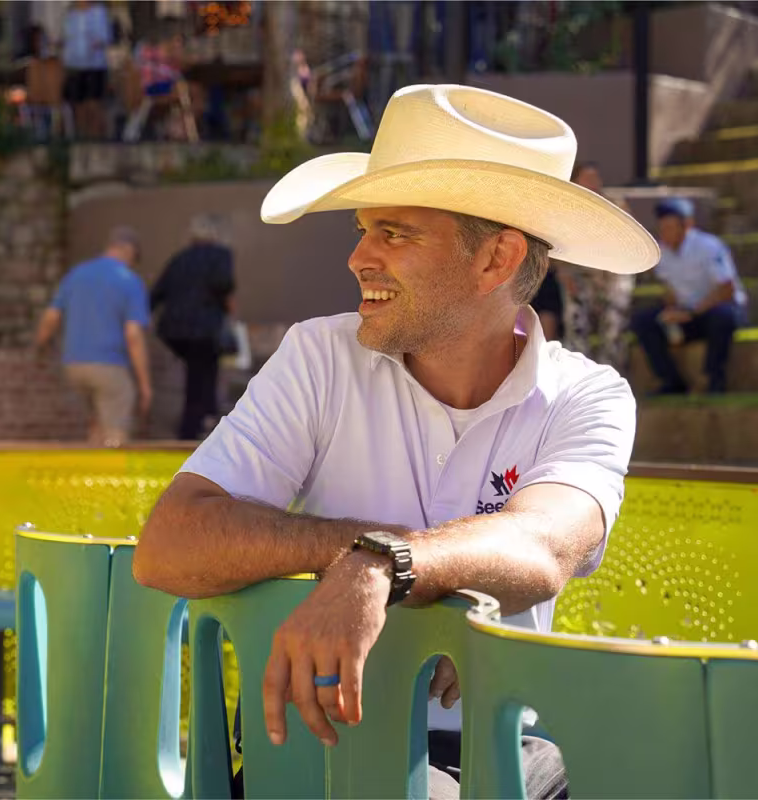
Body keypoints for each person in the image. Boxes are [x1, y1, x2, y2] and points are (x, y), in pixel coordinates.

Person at [134, 84, 658, 798]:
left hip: (495, 756)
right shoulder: (319, 355)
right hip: (318, 750)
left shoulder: (588, 392)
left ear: (496, 259)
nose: (358, 257)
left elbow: (543, 545)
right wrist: (372, 558)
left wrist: (387, 564)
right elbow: (169, 543)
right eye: (363, 228)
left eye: (395, 232)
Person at [34, 226, 152, 446]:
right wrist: (145, 384)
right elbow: (133, 335)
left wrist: (39, 347)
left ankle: (90, 475)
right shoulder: (130, 281)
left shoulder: (76, 274)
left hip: (74, 366)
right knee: (115, 434)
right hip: (109, 366)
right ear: (128, 250)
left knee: (96, 426)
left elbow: (51, 317)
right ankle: (112, 476)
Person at [630, 198, 747, 394]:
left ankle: (714, 379)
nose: (665, 233)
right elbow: (670, 289)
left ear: (686, 226)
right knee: (643, 322)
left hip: (714, 311)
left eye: (670, 227)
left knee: (723, 317)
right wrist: (672, 311)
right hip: (688, 314)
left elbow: (727, 289)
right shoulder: (662, 252)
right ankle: (671, 381)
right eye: (662, 228)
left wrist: (692, 312)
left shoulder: (709, 247)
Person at [151, 213, 236, 440]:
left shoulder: (179, 258)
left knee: (195, 374)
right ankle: (201, 425)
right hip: (205, 329)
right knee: (205, 374)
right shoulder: (221, 254)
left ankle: (192, 426)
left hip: (174, 331)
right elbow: (223, 284)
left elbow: (157, 293)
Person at [556, 162, 636, 369]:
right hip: (580, 278)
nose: (593, 183)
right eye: (587, 178)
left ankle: (612, 370)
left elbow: (630, 244)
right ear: (575, 182)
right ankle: (577, 372)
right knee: (575, 318)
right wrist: (564, 274)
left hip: (612, 277)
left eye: (595, 178)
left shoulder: (615, 205)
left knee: (615, 318)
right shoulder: (563, 211)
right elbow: (554, 252)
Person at [61, 0, 113, 139]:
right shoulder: (70, 14)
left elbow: (105, 37)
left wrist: (94, 42)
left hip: (94, 65)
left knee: (94, 103)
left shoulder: (99, 13)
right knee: (77, 103)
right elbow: (66, 37)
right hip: (74, 65)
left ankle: (96, 137)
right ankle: (82, 136)